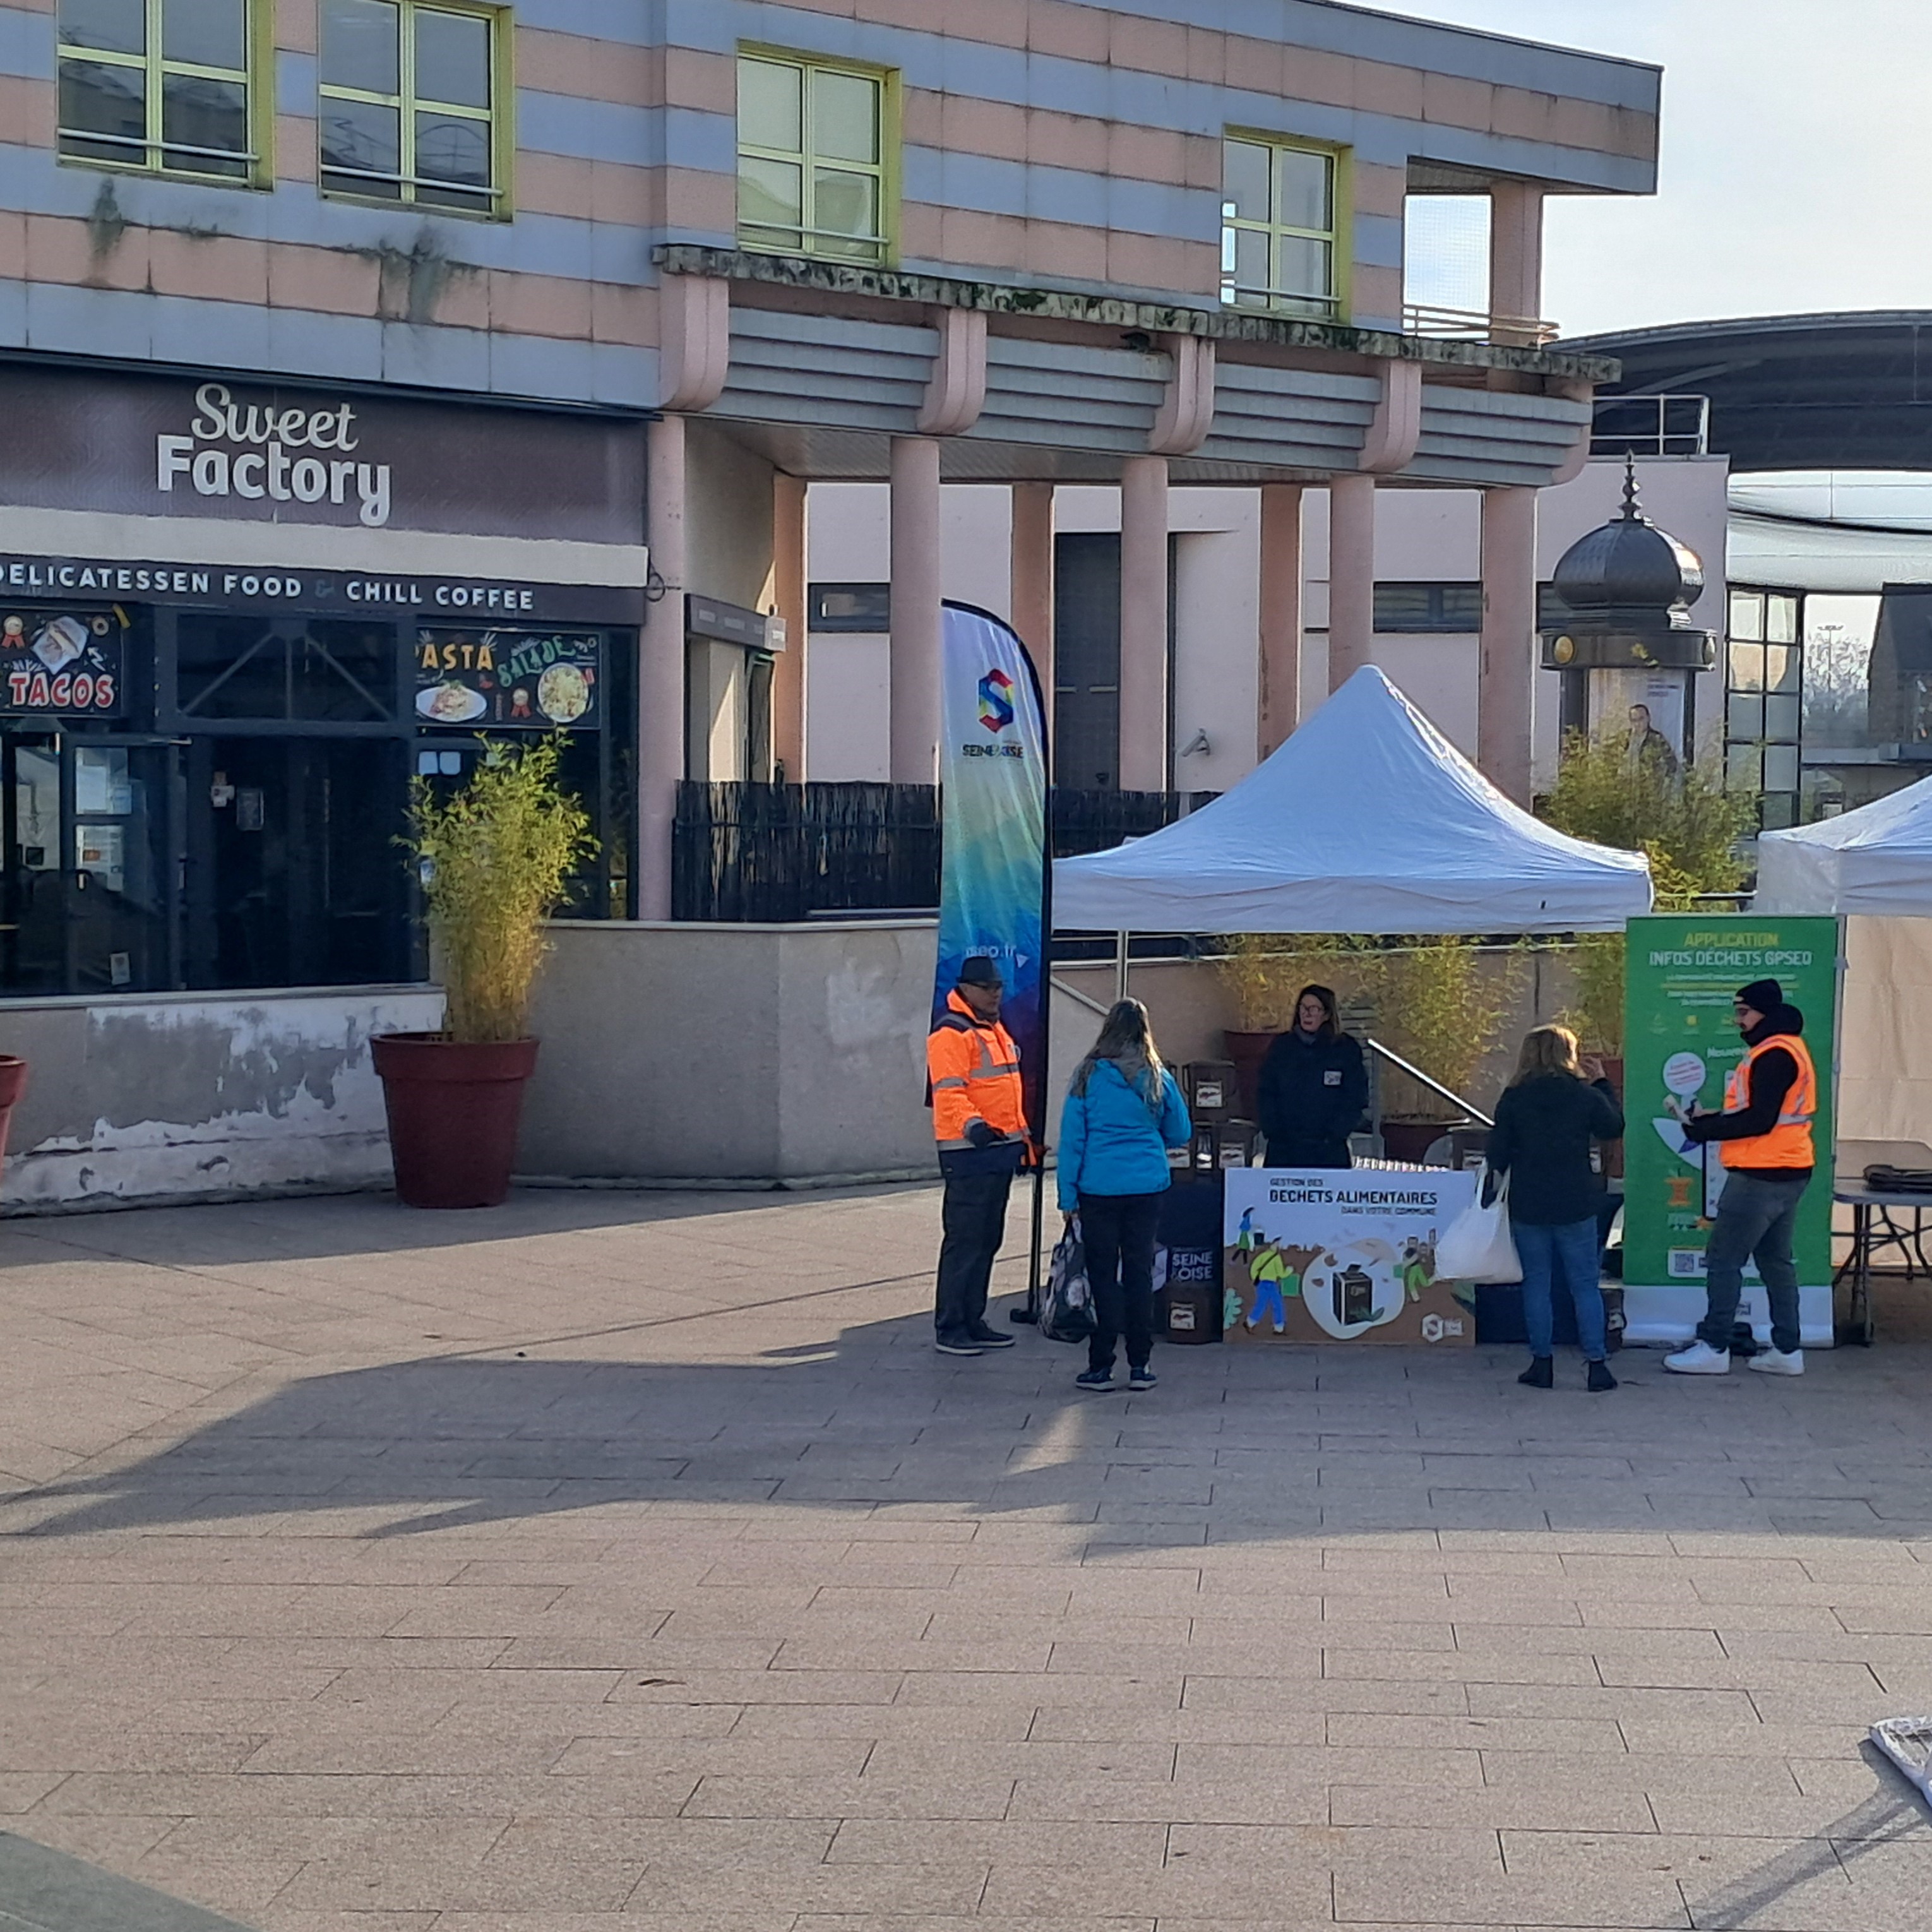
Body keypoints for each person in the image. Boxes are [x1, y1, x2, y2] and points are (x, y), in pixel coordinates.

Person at [1665, 978, 1816, 1377]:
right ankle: (1787, 1350)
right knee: (1775, 1261)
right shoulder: (1787, 1049)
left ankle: (1715, 1347)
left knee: (1723, 1260)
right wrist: (1710, 1120)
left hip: (1760, 1173)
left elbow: (1760, 1120)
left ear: (1764, 1012)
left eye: (1744, 1012)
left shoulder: (1773, 1055)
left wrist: (1705, 1130)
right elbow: (1763, 1113)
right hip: (1791, 1167)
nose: (1738, 1021)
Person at [1056, 998, 1191, 1392]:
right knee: (1139, 1273)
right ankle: (1141, 1365)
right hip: (1146, 1187)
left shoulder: (1087, 1075)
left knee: (1102, 1276)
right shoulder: (1156, 1075)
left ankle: (1100, 1365)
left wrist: (1067, 1198)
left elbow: (1072, 1142)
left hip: (1097, 1189)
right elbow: (1180, 1131)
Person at [1484, 1025, 1625, 1392]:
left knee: (1537, 1283)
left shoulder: (1514, 1097)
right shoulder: (1582, 1093)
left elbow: (1496, 1152)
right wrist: (1603, 1084)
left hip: (1530, 1200)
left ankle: (1542, 1363)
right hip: (1577, 1199)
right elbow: (1613, 1127)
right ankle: (1597, 1366)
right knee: (1584, 1284)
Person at [927, 956, 1029, 1357]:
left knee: (987, 1240)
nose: (996, 993)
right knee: (966, 1241)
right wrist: (974, 1127)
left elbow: (1006, 1094)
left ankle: (973, 1319)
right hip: (968, 1153)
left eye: (999, 987)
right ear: (966, 988)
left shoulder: (992, 1028)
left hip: (996, 1152)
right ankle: (951, 1326)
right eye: (988, 988)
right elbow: (949, 1092)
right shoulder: (952, 1032)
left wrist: (1024, 1144)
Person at [1256, 984, 1368, 1169]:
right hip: (1284, 1150)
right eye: (1303, 1008)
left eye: (1313, 1009)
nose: (1307, 1014)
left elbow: (1355, 1097)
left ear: (1327, 1014)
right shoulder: (1282, 1047)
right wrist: (1273, 1131)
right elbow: (1266, 1091)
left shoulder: (1345, 1049)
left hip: (1328, 1151)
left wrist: (1335, 1134)